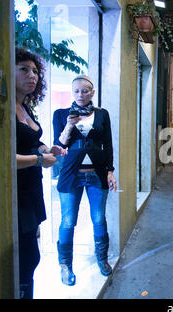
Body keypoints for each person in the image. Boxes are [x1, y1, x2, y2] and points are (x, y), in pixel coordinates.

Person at [53, 74, 117, 286]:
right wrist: (69, 126)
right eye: (77, 91)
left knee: (98, 218)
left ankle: (102, 259)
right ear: (73, 93)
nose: (81, 94)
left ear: (92, 92)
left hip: (97, 175)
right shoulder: (61, 114)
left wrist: (110, 171)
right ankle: (65, 266)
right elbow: (59, 144)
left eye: (85, 91)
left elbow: (107, 144)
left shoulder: (102, 114)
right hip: (71, 176)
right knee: (68, 221)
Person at [15, 47, 67, 298]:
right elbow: (2, 159)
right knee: (26, 259)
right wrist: (38, 159)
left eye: (35, 71)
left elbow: (31, 142)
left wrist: (48, 148)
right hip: (17, 195)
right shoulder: (4, 110)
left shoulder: (26, 108)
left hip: (32, 191)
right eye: (23, 69)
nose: (32, 75)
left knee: (30, 255)